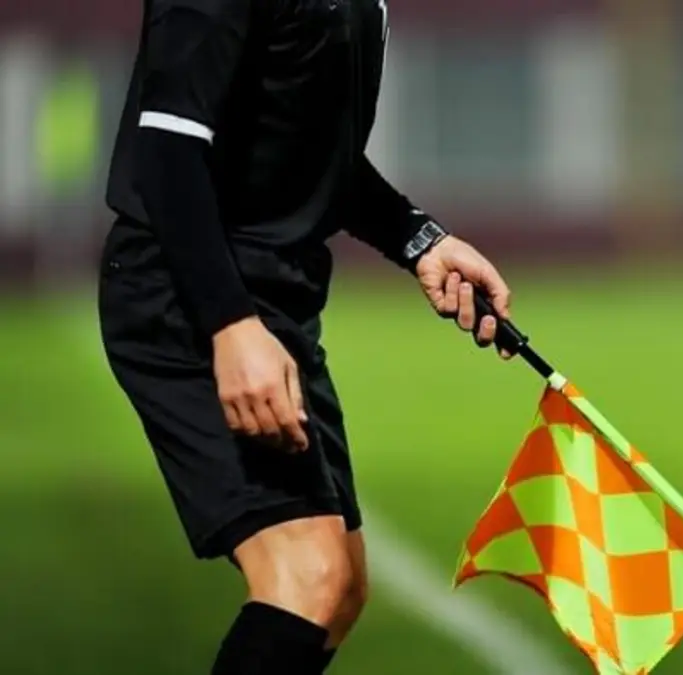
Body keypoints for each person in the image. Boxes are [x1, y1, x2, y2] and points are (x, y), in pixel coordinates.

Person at [98, 0, 513, 672]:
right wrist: (230, 325)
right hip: (190, 294)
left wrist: (419, 239)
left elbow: (311, 146)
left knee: (339, 585)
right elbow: (168, 150)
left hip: (276, 297)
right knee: (306, 578)